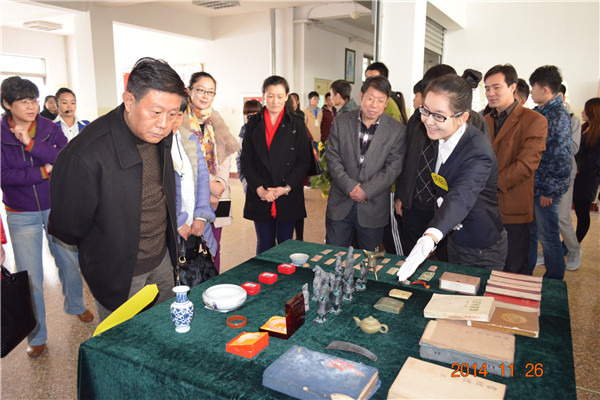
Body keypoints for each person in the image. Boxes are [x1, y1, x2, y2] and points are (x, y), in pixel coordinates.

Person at [48, 57, 187, 321]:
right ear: (129, 101)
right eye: (156, 112)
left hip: (161, 259)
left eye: (172, 114)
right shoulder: (86, 153)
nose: (164, 124)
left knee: (166, 328)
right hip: (120, 272)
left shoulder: (160, 135)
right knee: (124, 342)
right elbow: (68, 227)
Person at [1, 76, 93, 358]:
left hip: (56, 205)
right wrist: (42, 171)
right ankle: (37, 335)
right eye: (24, 101)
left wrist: (30, 144)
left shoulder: (49, 128)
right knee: (30, 277)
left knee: (70, 261)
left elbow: (65, 157)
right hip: (20, 213)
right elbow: (4, 176)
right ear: (7, 104)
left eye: (34, 100)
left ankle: (76, 305)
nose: (32, 106)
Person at [397, 74, 507, 282]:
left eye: (439, 115)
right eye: (425, 110)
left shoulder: (477, 152)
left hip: (480, 246)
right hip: (454, 238)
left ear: (463, 117)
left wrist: (430, 237)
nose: (428, 120)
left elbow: (462, 196)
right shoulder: (442, 134)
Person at [325, 75, 406, 251]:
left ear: (386, 103)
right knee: (333, 256)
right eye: (370, 98)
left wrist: (366, 190)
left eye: (380, 100)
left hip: (373, 209)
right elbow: (332, 157)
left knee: (369, 261)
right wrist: (350, 186)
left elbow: (393, 168)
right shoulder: (341, 121)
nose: (374, 105)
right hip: (340, 204)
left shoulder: (397, 130)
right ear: (361, 96)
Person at [483, 64, 547, 275]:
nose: (491, 93)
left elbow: (526, 165)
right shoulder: (484, 121)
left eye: (496, 87)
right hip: (485, 208)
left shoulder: (534, 120)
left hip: (513, 208)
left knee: (514, 268)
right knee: (488, 266)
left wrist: (489, 186)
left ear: (512, 87)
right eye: (487, 88)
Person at [240, 75, 311, 254]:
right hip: (261, 193)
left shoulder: (296, 123)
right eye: (270, 96)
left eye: (280, 96)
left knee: (286, 245)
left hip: (288, 193)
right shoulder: (253, 123)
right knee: (264, 242)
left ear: (287, 96)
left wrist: (286, 188)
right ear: (263, 96)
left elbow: (304, 160)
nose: (275, 101)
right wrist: (259, 189)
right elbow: (246, 160)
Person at [180, 72, 240, 273]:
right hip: (193, 195)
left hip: (219, 194)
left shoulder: (216, 119)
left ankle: (213, 282)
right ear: (189, 90)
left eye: (210, 92)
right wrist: (208, 188)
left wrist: (220, 185)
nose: (205, 96)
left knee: (214, 247)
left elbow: (226, 157)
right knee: (190, 248)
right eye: (200, 90)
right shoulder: (179, 120)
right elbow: (182, 163)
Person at [528, 65, 573, 280]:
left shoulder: (557, 116)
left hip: (545, 190)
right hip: (536, 186)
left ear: (545, 90)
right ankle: (526, 273)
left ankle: (554, 280)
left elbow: (561, 158)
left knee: (548, 237)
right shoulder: (542, 112)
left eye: (533, 87)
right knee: (533, 234)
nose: (531, 92)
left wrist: (548, 191)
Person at [172, 98, 214, 247]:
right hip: (172, 226)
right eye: (170, 114)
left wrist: (200, 216)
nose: (174, 120)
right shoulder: (153, 144)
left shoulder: (189, 138)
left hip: (194, 221)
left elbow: (202, 177)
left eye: (179, 115)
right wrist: (177, 222)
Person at [573, 98, 600, 245]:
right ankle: (571, 242)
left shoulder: (598, 134)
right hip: (577, 176)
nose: (583, 112)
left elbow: (592, 160)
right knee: (578, 210)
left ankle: (575, 243)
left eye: (586, 110)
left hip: (587, 179)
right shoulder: (585, 128)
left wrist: (576, 168)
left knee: (582, 212)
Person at [236, 99, 263, 194]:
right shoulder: (244, 131)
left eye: (255, 116)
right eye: (249, 116)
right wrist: (243, 178)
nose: (252, 119)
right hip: (249, 179)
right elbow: (239, 156)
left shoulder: (266, 130)